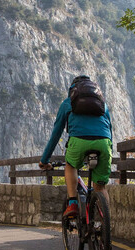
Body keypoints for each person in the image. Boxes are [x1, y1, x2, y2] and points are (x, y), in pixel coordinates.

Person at [39, 75, 114, 219]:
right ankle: (105, 225)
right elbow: (109, 131)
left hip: (79, 141)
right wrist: (108, 151)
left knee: (71, 165)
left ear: (73, 90)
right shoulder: (103, 104)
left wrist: (45, 159)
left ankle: (72, 202)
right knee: (100, 187)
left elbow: (56, 133)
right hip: (104, 143)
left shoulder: (68, 103)